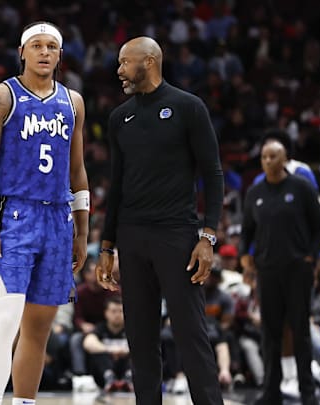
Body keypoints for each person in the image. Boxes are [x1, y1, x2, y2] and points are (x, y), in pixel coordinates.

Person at [97, 36, 224, 405]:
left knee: (190, 335)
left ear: (149, 61)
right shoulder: (120, 117)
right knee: (140, 339)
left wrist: (208, 236)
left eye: (124, 62)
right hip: (131, 237)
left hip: (177, 235)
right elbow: (117, 184)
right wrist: (107, 245)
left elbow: (212, 174)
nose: (119, 70)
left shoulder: (188, 107)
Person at [0, 21, 89, 405]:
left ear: (60, 55)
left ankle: (25, 402)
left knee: (38, 328)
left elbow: (77, 171)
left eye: (51, 46)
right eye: (36, 45)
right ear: (22, 52)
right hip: (14, 216)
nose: (44, 52)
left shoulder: (73, 102)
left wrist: (83, 231)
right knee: (5, 319)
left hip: (58, 219)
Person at [239, 140, 320, 405]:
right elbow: (246, 231)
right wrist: (245, 255)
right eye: (264, 156)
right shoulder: (254, 192)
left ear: (285, 158)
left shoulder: (301, 188)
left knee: (300, 331)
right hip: (267, 272)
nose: (268, 161)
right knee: (270, 333)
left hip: (296, 270)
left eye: (273, 156)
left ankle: (307, 393)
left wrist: (310, 256)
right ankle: (271, 392)